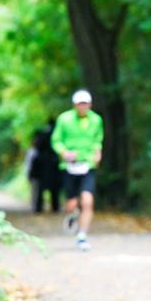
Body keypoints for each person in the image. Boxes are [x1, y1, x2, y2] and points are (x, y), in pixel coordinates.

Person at [51, 90, 104, 251]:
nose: (83, 106)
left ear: (90, 104)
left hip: (87, 165)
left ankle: (82, 235)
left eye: (86, 103)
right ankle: (72, 215)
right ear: (75, 105)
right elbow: (56, 140)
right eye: (80, 103)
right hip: (69, 166)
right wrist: (64, 152)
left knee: (87, 200)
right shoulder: (64, 119)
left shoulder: (96, 120)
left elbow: (98, 139)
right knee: (72, 203)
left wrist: (97, 151)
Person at [28, 118, 62, 214]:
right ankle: (55, 208)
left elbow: (36, 147)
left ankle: (39, 208)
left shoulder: (42, 135)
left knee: (40, 189)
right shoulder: (57, 135)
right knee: (54, 189)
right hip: (52, 165)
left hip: (42, 165)